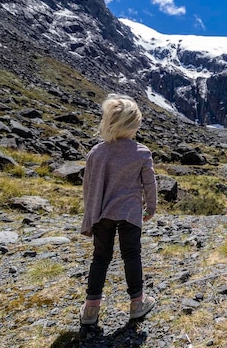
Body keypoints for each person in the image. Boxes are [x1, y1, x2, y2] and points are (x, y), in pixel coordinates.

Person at [79, 94, 158, 325]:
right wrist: (151, 208)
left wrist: (90, 214)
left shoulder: (97, 152)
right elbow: (149, 184)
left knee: (100, 258)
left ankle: (91, 309)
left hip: (103, 214)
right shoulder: (142, 153)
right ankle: (137, 303)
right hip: (131, 214)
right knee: (132, 255)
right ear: (133, 125)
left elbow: (89, 184)